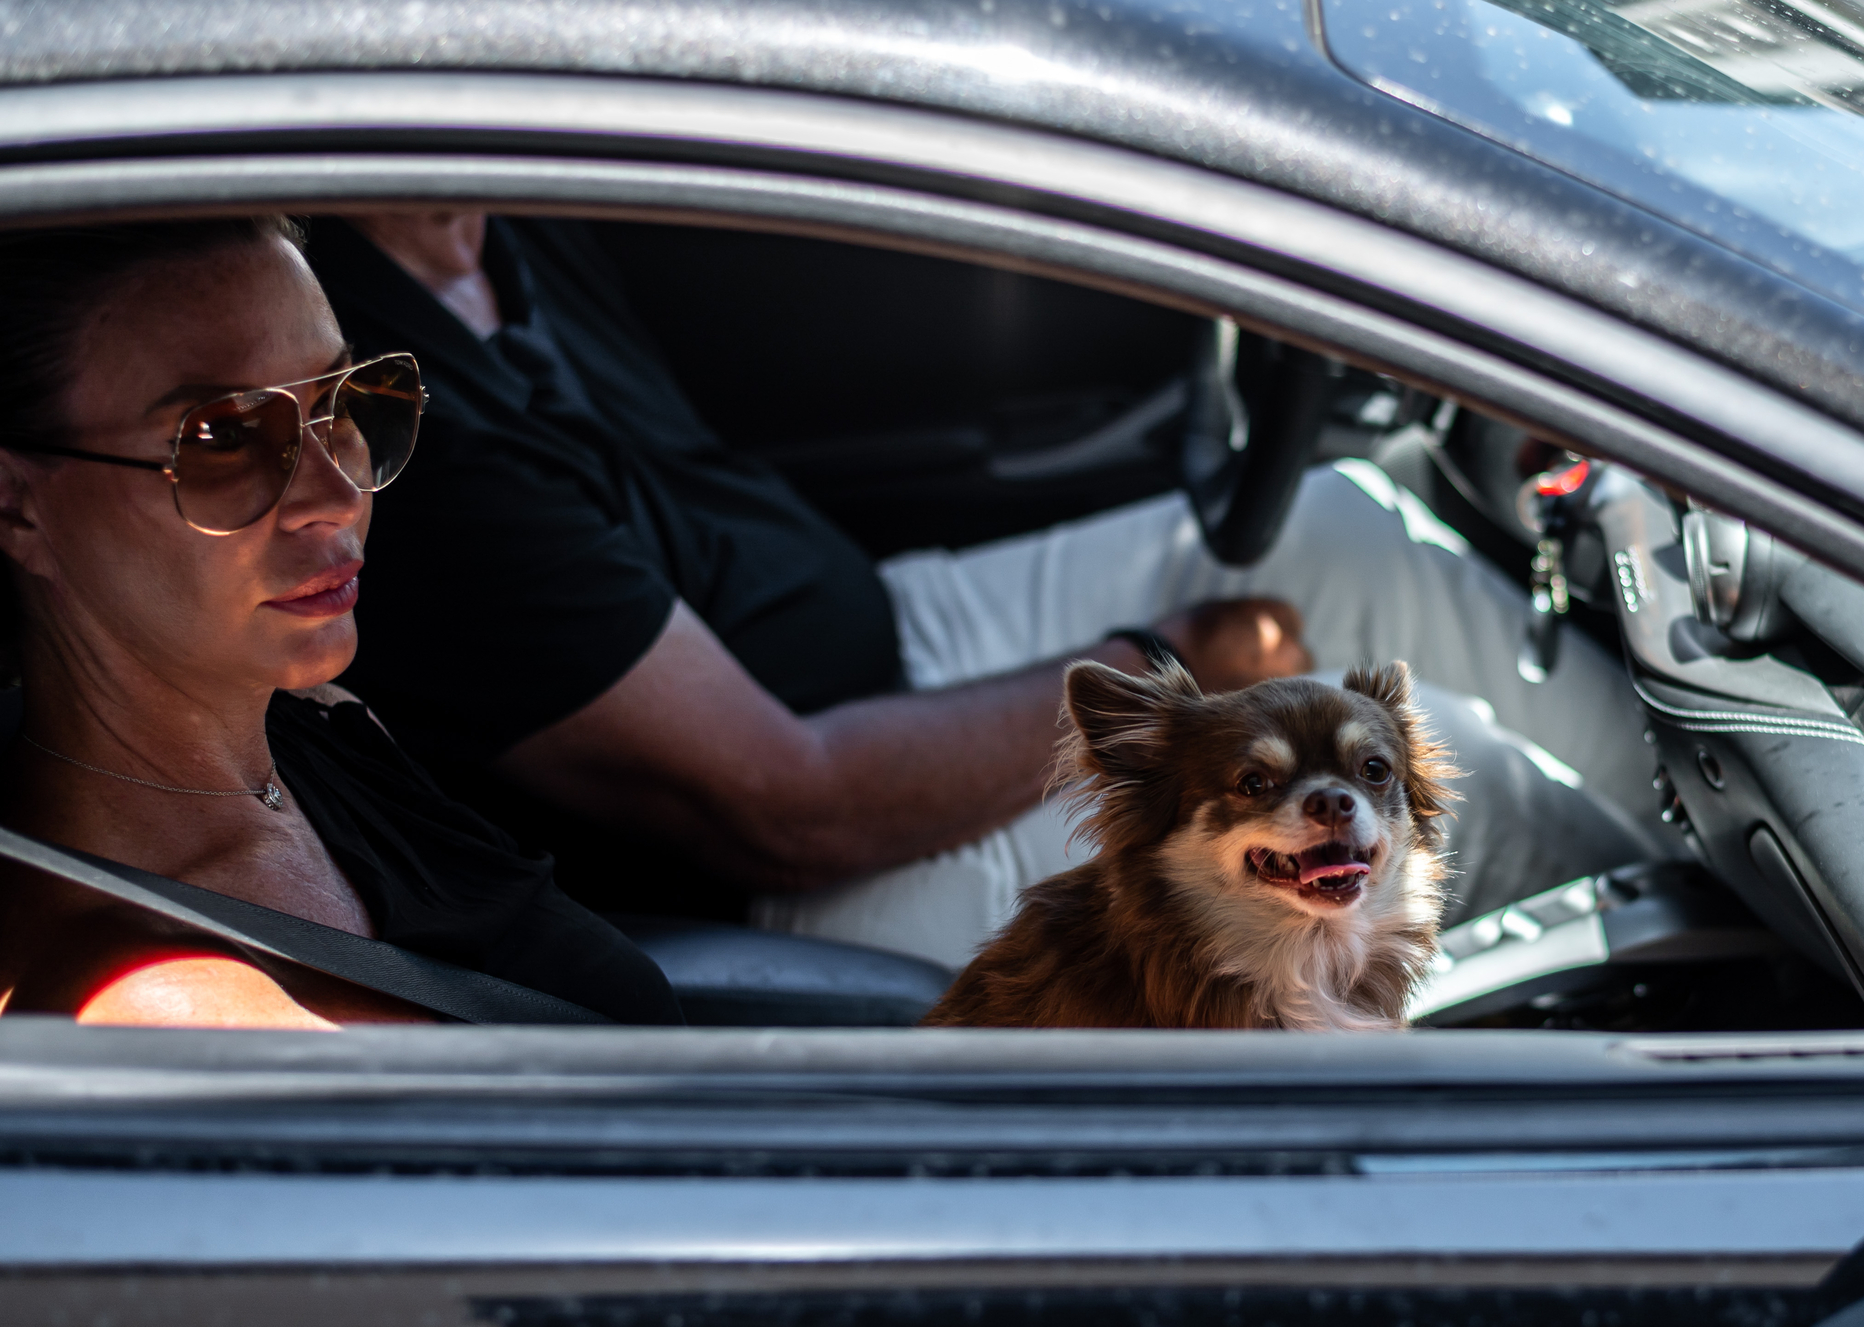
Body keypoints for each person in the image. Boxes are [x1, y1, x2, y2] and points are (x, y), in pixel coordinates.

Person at [310, 214, 1677, 970]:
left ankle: (1713, 819)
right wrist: (1166, 670)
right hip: (819, 862)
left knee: (1338, 522)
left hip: (891, 634)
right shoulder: (404, 422)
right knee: (1431, 785)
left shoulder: (490, 221)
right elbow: (785, 807)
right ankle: (1754, 986)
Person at [0, 217, 681, 1028]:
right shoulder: (162, 997)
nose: (334, 496)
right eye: (224, 437)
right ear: (17, 505)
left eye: (339, 401)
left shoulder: (321, 726)